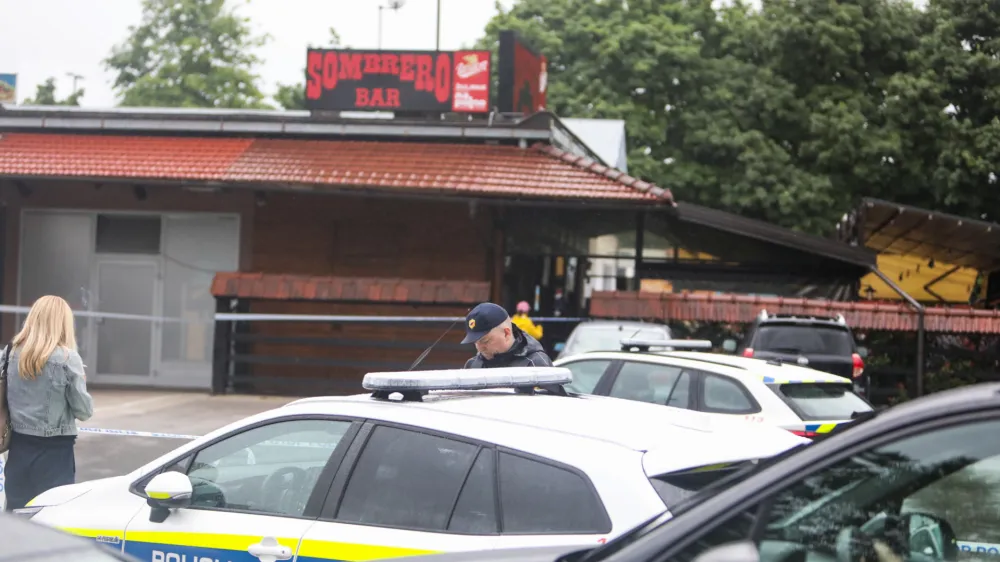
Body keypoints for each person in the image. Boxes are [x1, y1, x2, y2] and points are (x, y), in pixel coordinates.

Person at [4, 295, 93, 512]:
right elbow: (84, 411)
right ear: (62, 323)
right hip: (55, 454)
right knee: (52, 516)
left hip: (17, 449)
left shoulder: (9, 353)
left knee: (16, 516)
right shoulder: (67, 358)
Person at [461, 302, 553, 369]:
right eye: (475, 342)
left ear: (506, 333)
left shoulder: (536, 364)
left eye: (485, 341)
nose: (480, 348)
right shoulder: (472, 365)